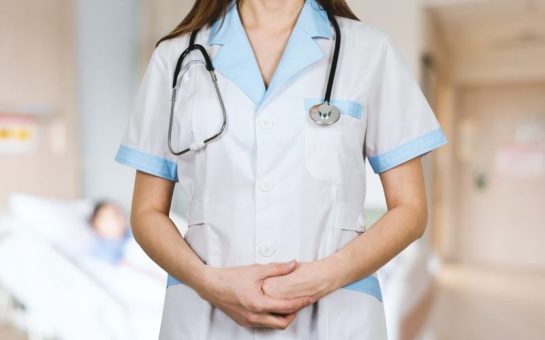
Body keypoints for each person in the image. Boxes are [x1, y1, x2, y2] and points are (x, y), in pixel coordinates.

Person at [114, 0, 447, 339]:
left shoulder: (369, 51)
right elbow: (147, 212)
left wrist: (325, 277)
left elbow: (410, 210)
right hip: (206, 318)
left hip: (336, 318)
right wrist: (208, 283)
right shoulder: (176, 58)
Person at [88, 200, 132, 265]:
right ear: (96, 225)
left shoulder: (129, 233)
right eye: (114, 216)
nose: (121, 218)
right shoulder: (101, 247)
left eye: (120, 213)